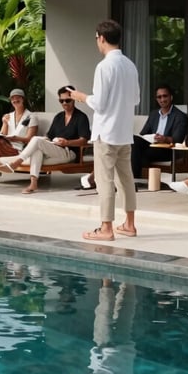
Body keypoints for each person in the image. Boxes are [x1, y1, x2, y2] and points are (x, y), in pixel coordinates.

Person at [71, 19, 140, 240]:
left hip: (106, 133)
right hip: (124, 132)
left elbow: (99, 103)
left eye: (96, 39)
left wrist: (81, 97)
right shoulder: (130, 65)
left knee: (105, 181)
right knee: (126, 179)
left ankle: (106, 228)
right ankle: (129, 224)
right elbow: (136, 99)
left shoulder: (104, 66)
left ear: (101, 38)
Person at [0, 85, 90, 194]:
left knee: (36, 140)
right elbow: (49, 136)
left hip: (69, 152)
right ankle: (33, 184)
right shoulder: (59, 117)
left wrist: (67, 142)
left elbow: (84, 141)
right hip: (55, 150)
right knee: (37, 151)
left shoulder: (81, 117)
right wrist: (45, 139)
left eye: (68, 100)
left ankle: (17, 162)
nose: (65, 103)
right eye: (62, 101)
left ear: (74, 99)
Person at [131, 84, 188, 178]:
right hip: (152, 147)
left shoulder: (180, 116)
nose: (162, 99)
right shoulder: (154, 114)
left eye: (165, 96)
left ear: (171, 97)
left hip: (167, 150)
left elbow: (178, 139)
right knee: (134, 141)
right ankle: (136, 179)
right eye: (159, 97)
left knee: (137, 153)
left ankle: (135, 179)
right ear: (157, 99)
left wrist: (164, 139)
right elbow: (143, 134)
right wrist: (152, 137)